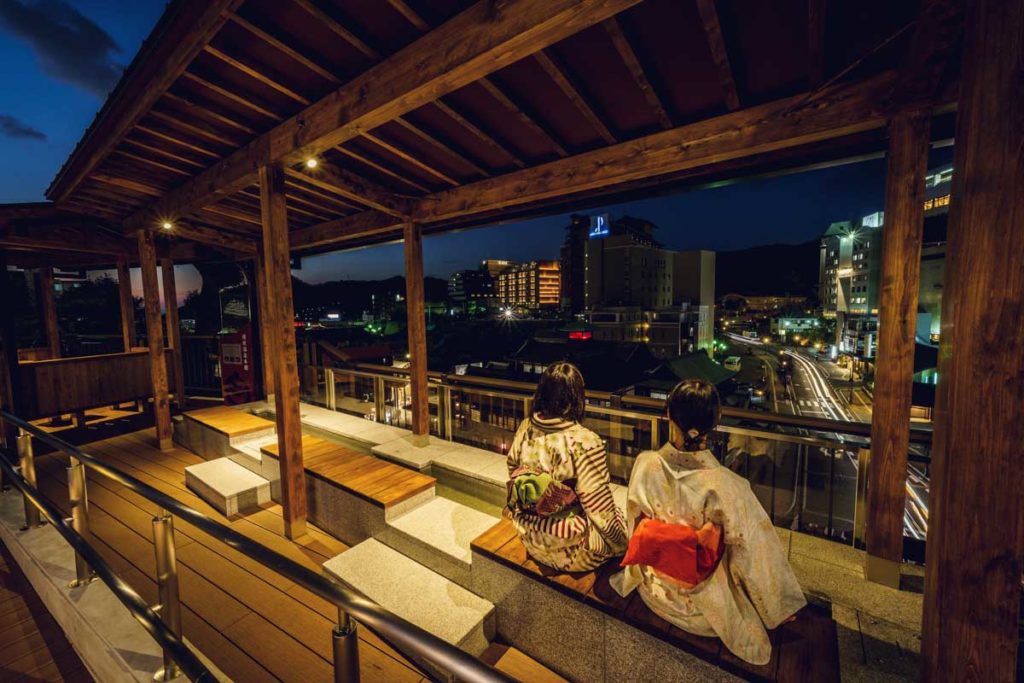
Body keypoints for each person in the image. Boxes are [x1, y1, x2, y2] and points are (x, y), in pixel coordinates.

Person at [610, 379, 805, 665]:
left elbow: (634, 529)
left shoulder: (645, 463)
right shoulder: (728, 485)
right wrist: (777, 606)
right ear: (716, 422)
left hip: (652, 592)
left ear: (667, 414)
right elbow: (753, 554)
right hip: (702, 612)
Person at [505, 362, 627, 572]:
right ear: (577, 398)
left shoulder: (526, 428)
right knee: (618, 516)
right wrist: (622, 544)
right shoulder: (584, 442)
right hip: (572, 552)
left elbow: (512, 469)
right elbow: (599, 508)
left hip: (530, 537)